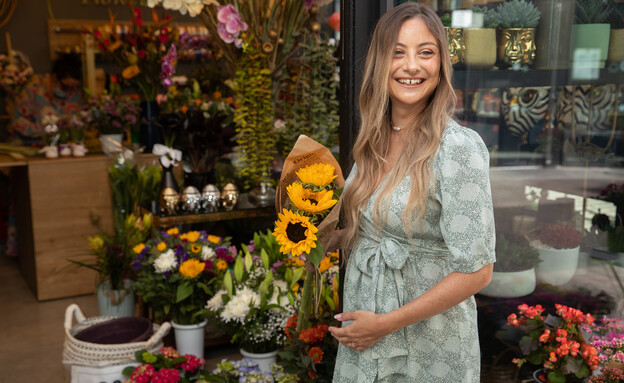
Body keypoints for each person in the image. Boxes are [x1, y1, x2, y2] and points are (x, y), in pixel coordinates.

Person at [327, 3, 496, 382]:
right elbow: (377, 225)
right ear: (380, 62)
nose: (412, 66)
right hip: (367, 330)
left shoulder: (458, 148)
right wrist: (327, 237)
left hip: (429, 344)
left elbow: (479, 270)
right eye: (398, 52)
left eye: (426, 52)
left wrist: (385, 323)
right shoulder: (373, 138)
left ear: (441, 64)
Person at [9, 53, 83, 146]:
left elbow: (76, 122)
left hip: (65, 149)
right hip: (32, 149)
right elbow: (18, 123)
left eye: (73, 87)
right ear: (54, 77)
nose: (69, 91)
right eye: (65, 87)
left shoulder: (75, 94)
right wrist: (47, 130)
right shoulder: (32, 92)